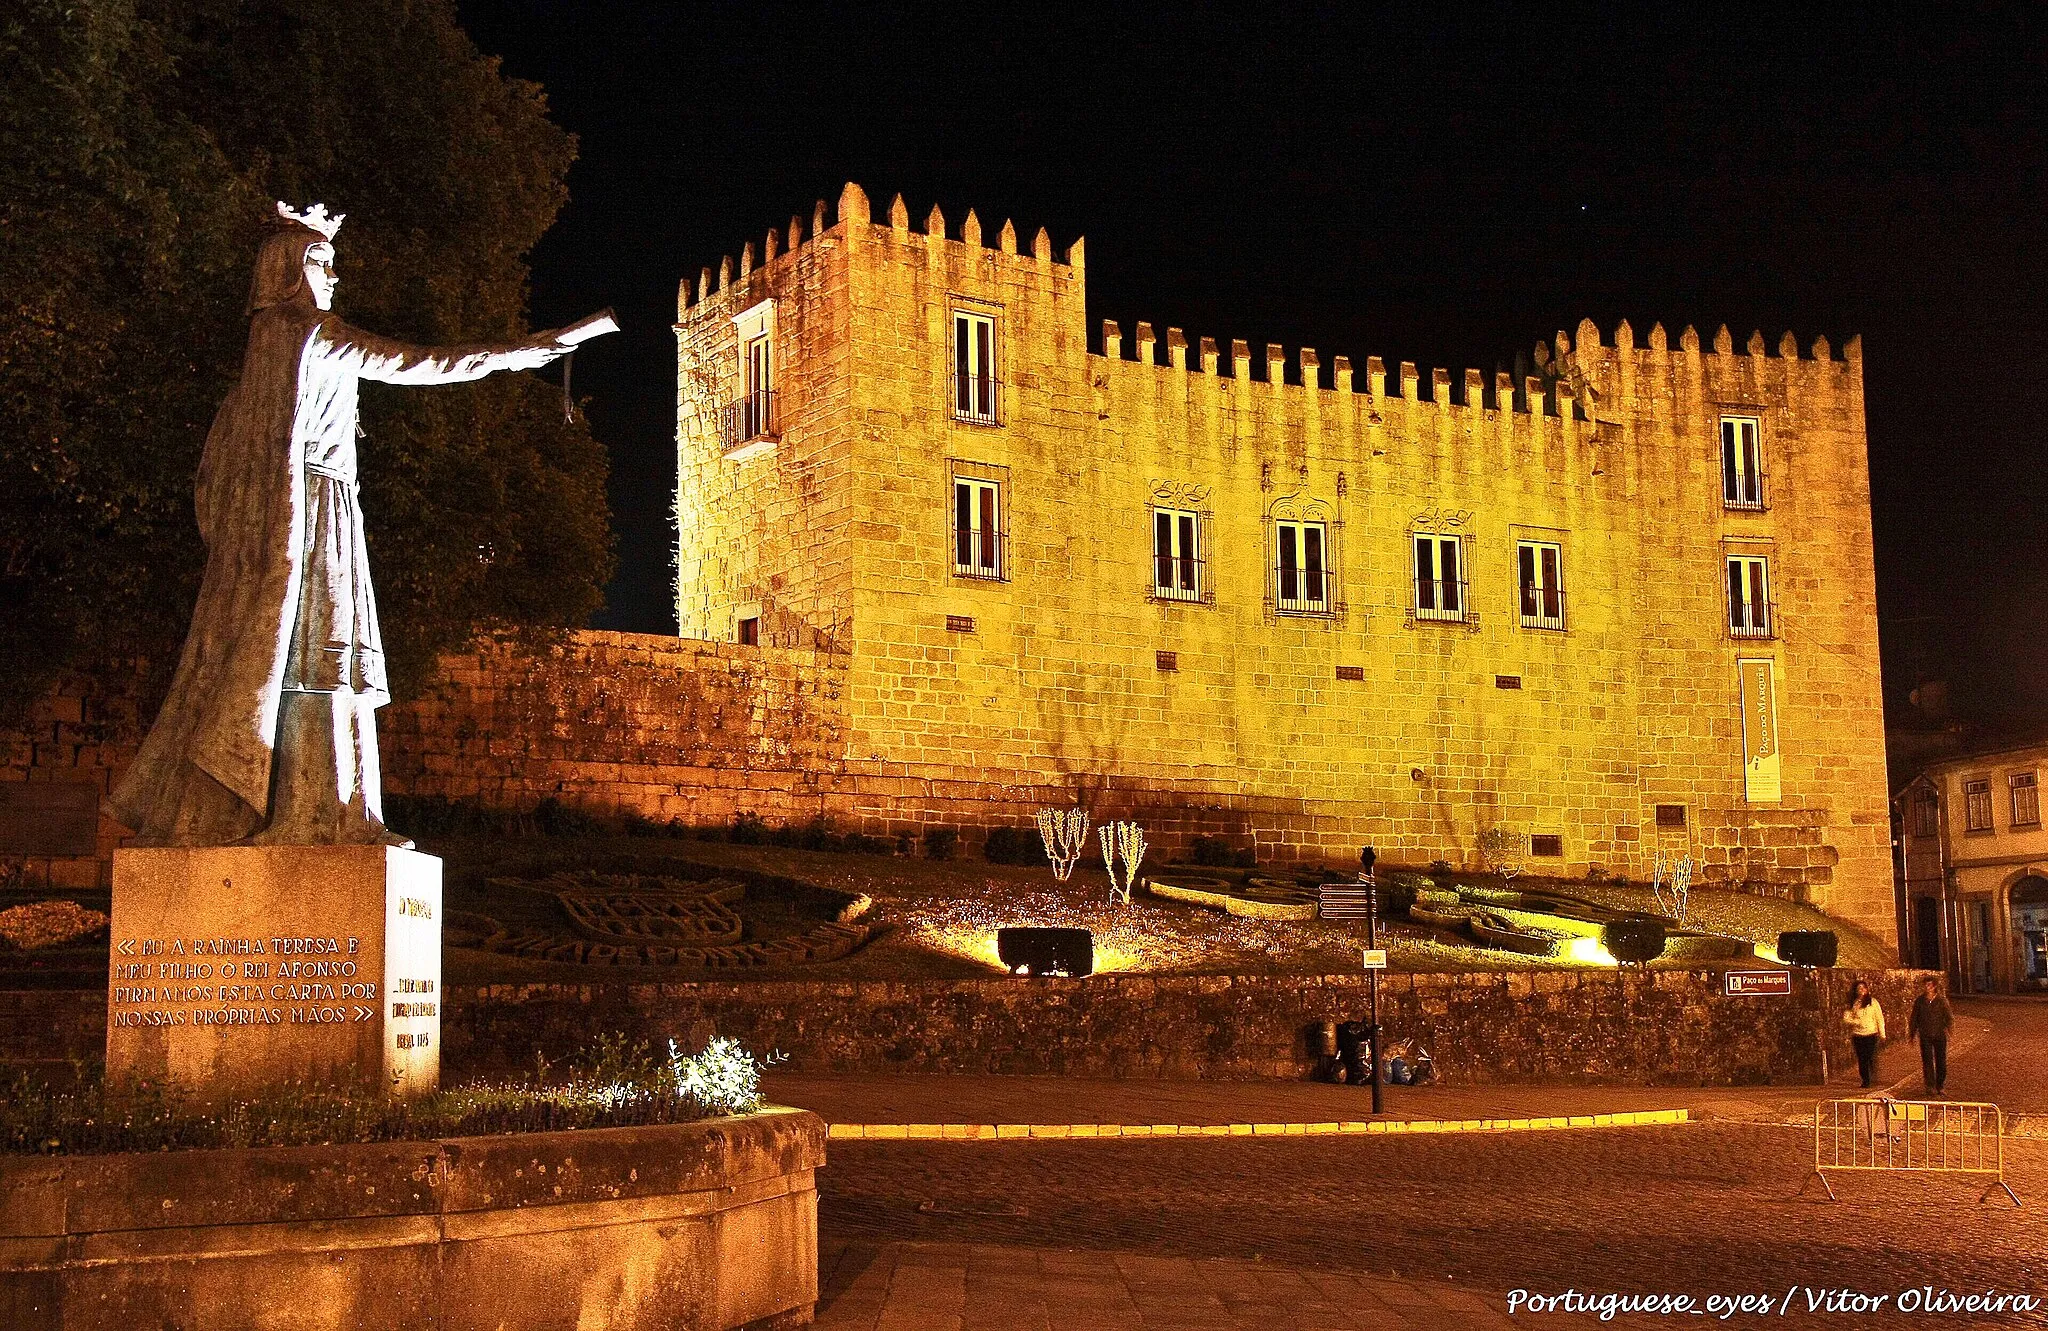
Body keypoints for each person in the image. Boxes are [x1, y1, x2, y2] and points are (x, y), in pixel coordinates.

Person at [113, 203, 595, 848]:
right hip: (309, 511)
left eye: (331, 264)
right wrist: (524, 351)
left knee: (319, 657)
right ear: (283, 270)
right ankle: (319, 812)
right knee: (317, 658)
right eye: (317, 262)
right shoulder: (302, 332)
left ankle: (331, 809)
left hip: (320, 506)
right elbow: (420, 363)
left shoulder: (275, 341)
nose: (331, 277)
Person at [1908, 976, 1953, 1096]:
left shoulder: (1942, 1001)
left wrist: (1949, 1031)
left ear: (1934, 986)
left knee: (1941, 1061)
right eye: (1925, 985)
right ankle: (1930, 1086)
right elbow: (1914, 1018)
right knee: (1927, 1061)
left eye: (1929, 985)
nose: (1926, 988)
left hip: (1939, 1034)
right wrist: (1912, 1033)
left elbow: (1948, 1017)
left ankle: (1940, 1085)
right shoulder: (1920, 1001)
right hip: (1925, 1034)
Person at [1840, 978, 1887, 1089]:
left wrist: (1882, 1033)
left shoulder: (1873, 1002)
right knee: (1861, 1058)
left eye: (1863, 987)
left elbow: (1879, 1018)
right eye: (1859, 988)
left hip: (1871, 1033)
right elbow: (1846, 1018)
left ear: (1867, 989)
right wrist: (1856, 1022)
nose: (1861, 990)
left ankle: (1872, 1076)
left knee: (1870, 1056)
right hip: (1858, 1035)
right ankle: (1865, 1080)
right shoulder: (1854, 1003)